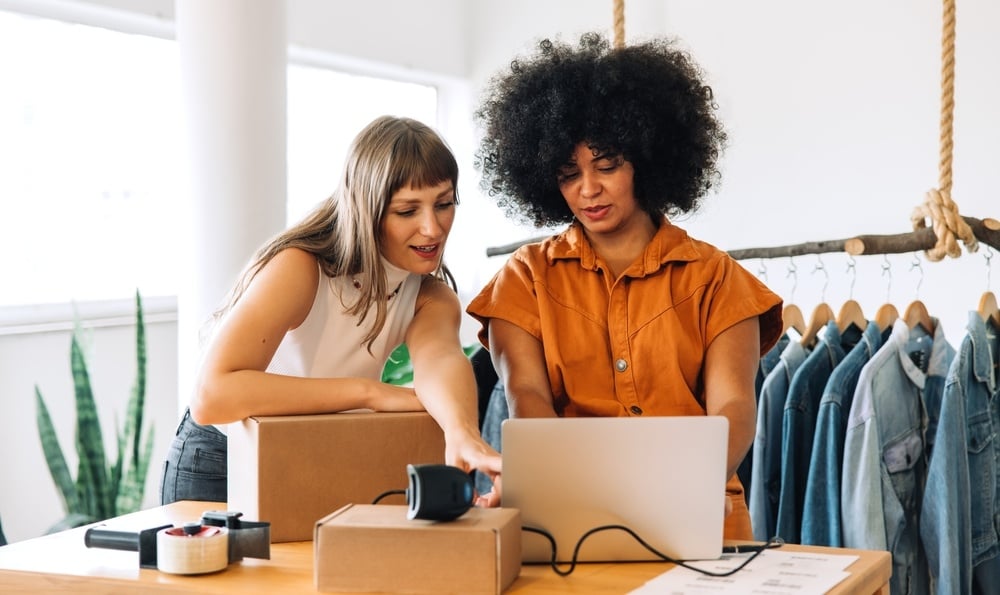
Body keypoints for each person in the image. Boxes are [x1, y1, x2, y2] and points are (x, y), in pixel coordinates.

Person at [466, 32, 783, 540]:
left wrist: (682, 485)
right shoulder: (524, 279)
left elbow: (734, 408)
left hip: (701, 516)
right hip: (572, 516)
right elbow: (527, 397)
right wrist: (571, 488)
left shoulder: (718, 279)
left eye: (607, 165)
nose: (588, 189)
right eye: (569, 174)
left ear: (648, 158)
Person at [161, 115, 502, 508]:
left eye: (443, 204)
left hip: (314, 445)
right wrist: (369, 393)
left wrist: (462, 434)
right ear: (366, 208)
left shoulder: (430, 296)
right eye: (407, 211)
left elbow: (440, 358)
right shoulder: (301, 269)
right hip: (221, 459)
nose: (433, 228)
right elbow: (213, 394)